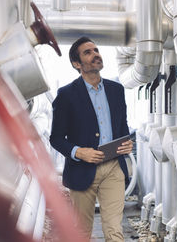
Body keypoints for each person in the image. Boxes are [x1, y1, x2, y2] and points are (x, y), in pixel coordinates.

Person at [50, 36, 133, 241]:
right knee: (81, 232)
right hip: (81, 170)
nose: (96, 54)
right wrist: (79, 152)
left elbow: (122, 128)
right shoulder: (66, 94)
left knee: (114, 230)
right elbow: (56, 138)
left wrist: (128, 143)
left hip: (114, 168)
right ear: (76, 64)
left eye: (96, 50)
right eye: (88, 52)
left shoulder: (116, 90)